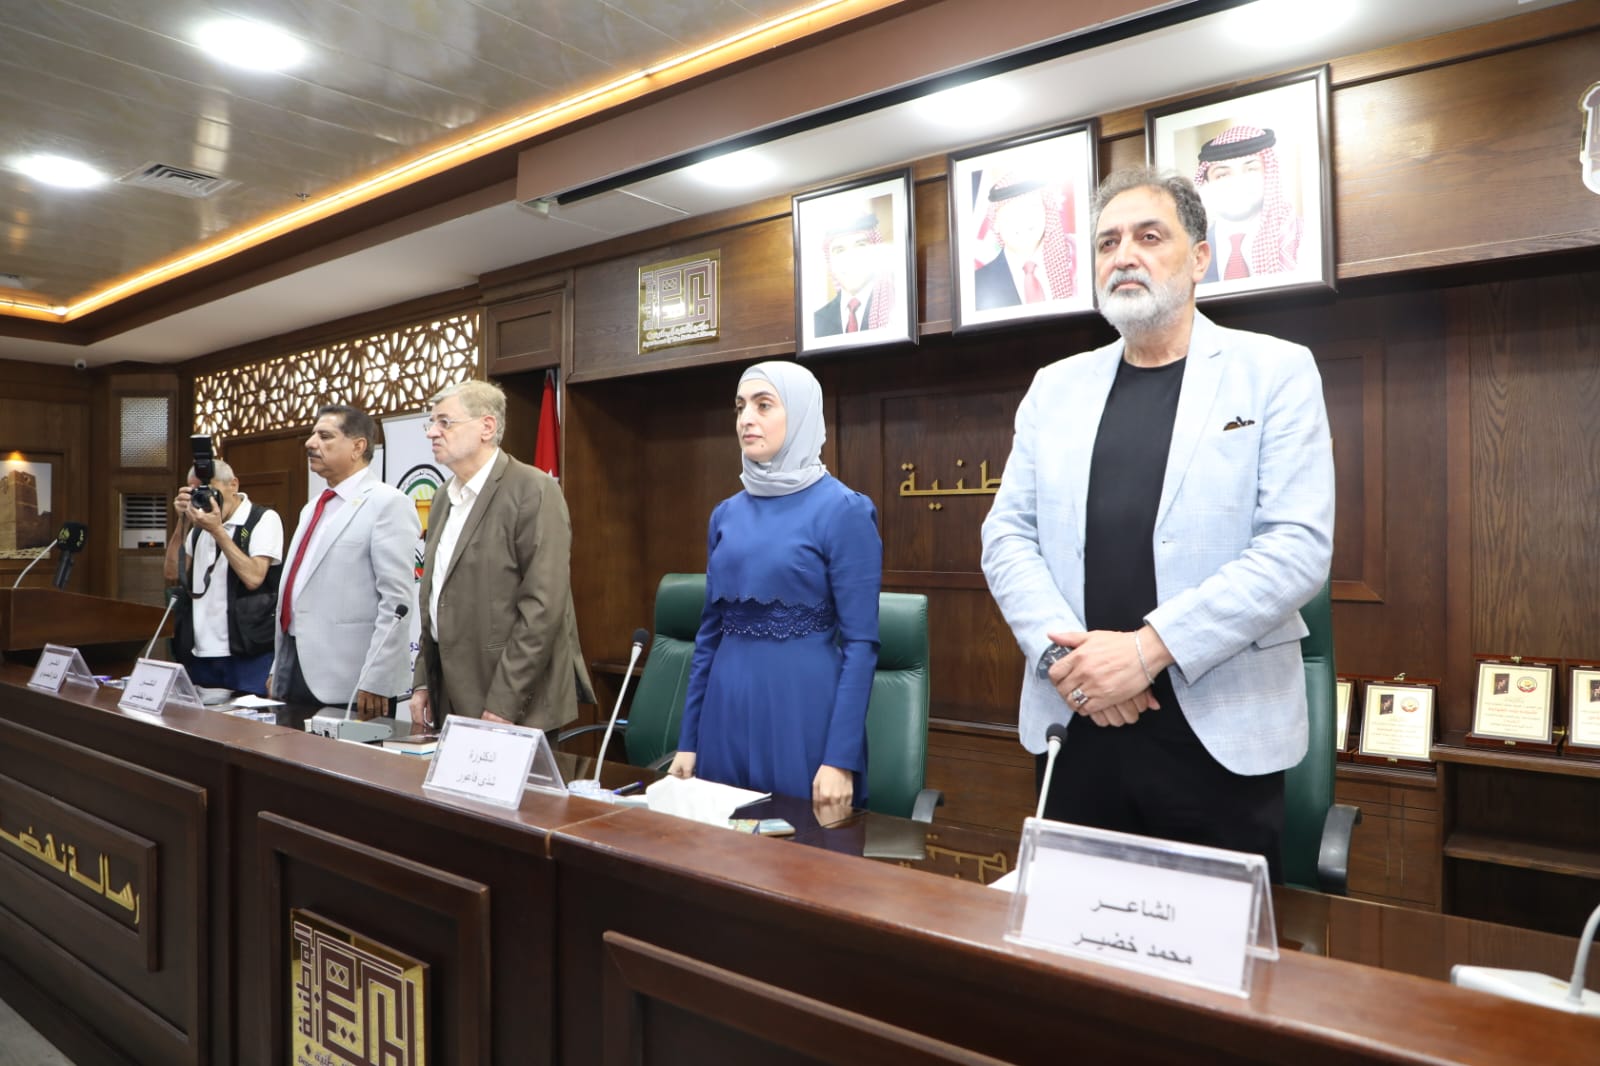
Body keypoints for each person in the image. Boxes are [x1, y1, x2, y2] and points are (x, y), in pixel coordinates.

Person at [980, 166, 1334, 879]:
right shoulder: (1054, 388)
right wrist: (1071, 666)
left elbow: (1296, 548)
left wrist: (1145, 652)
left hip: (1218, 739)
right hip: (1078, 722)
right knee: (1072, 939)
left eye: (1149, 237)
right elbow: (1006, 535)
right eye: (1107, 242)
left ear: (1199, 258)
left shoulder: (1275, 371)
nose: (1124, 256)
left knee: (1212, 946)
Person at [668, 362, 883, 808]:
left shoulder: (844, 510)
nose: (746, 418)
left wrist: (840, 758)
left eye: (764, 405)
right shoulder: (725, 515)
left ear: (800, 413)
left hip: (802, 715)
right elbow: (708, 636)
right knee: (720, 842)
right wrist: (689, 739)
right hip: (723, 714)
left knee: (801, 846)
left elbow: (861, 644)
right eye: (740, 407)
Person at [408, 380, 593, 731]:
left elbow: (543, 607)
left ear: (487, 427)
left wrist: (504, 702)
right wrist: (423, 681)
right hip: (448, 691)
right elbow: (436, 598)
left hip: (511, 702)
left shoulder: (533, 489)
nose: (432, 432)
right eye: (430, 423)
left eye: (444, 422)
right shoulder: (443, 497)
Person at [270, 405, 421, 719]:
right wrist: (279, 666)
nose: (310, 443)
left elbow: (397, 602)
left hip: (352, 679)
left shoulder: (387, 503)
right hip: (295, 665)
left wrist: (377, 677)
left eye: (325, 436)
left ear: (358, 446)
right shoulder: (313, 507)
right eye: (313, 435)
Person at [164, 458, 283, 695]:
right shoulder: (197, 526)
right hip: (199, 651)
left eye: (211, 491)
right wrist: (182, 522)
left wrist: (217, 530)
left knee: (250, 718)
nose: (206, 499)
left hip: (248, 651)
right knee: (199, 717)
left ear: (233, 485)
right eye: (197, 492)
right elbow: (171, 573)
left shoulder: (263, 519)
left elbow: (254, 577)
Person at [1192, 124, 1303, 283]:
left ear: (1268, 176)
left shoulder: (1300, 237)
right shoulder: (1191, 250)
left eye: (1251, 170)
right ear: (1207, 184)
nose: (1237, 184)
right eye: (1223, 175)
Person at [973, 173, 1076, 310]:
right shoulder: (976, 286)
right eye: (1012, 210)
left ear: (1046, 211)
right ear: (995, 222)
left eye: (1032, 206)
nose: (1024, 219)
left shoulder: (1077, 263)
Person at [812, 205, 895, 338]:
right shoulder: (816, 322)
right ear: (830, 262)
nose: (850, 259)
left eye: (860, 246)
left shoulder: (897, 308)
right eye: (839, 251)